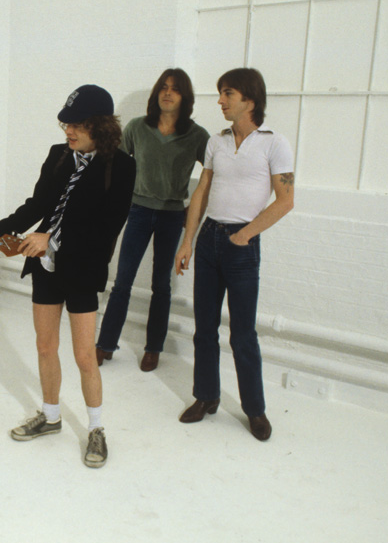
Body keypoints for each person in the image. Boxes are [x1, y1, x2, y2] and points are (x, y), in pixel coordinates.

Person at [0, 85, 135, 468]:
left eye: (77, 125)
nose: (68, 132)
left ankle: (95, 429)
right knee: (45, 347)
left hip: (81, 268)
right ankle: (50, 416)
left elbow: (107, 227)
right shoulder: (59, 156)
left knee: (83, 356)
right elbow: (38, 205)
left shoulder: (121, 166)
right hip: (45, 267)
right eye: (66, 124)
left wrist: (53, 239)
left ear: (100, 126)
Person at [174, 68, 294, 441]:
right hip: (209, 239)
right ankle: (206, 397)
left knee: (243, 334)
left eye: (227, 93)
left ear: (250, 100)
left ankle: (254, 410)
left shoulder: (274, 144)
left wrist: (245, 235)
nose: (221, 101)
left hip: (241, 245)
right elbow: (202, 192)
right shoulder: (217, 141)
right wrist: (188, 239)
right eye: (220, 93)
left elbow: (286, 200)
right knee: (204, 328)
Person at [95, 69, 210, 372]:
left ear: (185, 98)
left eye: (175, 89)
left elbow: (212, 176)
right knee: (122, 282)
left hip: (173, 216)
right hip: (139, 212)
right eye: (163, 88)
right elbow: (116, 167)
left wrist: (193, 211)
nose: (167, 93)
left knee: (162, 285)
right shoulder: (137, 128)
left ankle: (153, 348)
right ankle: (105, 344)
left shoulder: (197, 136)